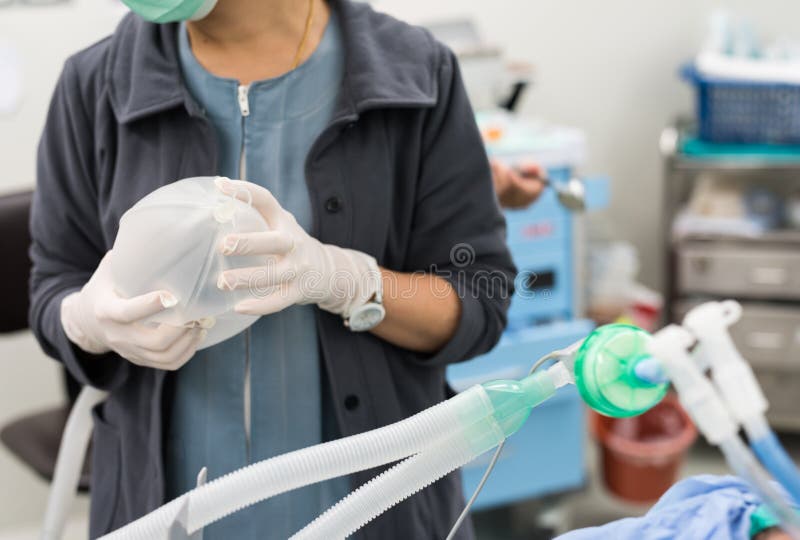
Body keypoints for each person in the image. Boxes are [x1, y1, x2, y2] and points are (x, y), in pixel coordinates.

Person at [28, 0, 515, 538]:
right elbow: (54, 281)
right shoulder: (95, 84)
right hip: (162, 510)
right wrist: (85, 320)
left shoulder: (417, 74)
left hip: (377, 511)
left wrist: (348, 282)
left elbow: (479, 303)